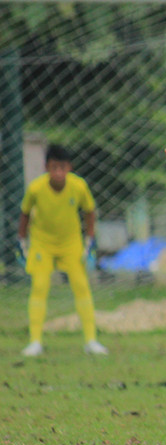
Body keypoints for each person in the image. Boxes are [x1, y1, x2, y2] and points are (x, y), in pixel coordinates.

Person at [17, 145, 108, 357]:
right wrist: (22, 241)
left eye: (62, 167)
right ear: (46, 167)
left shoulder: (79, 186)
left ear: (69, 168)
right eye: (54, 167)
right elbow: (25, 213)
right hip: (42, 243)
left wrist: (90, 240)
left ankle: (91, 341)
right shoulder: (36, 188)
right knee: (39, 287)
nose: (58, 172)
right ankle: (35, 341)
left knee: (82, 286)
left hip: (71, 243)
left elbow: (89, 211)